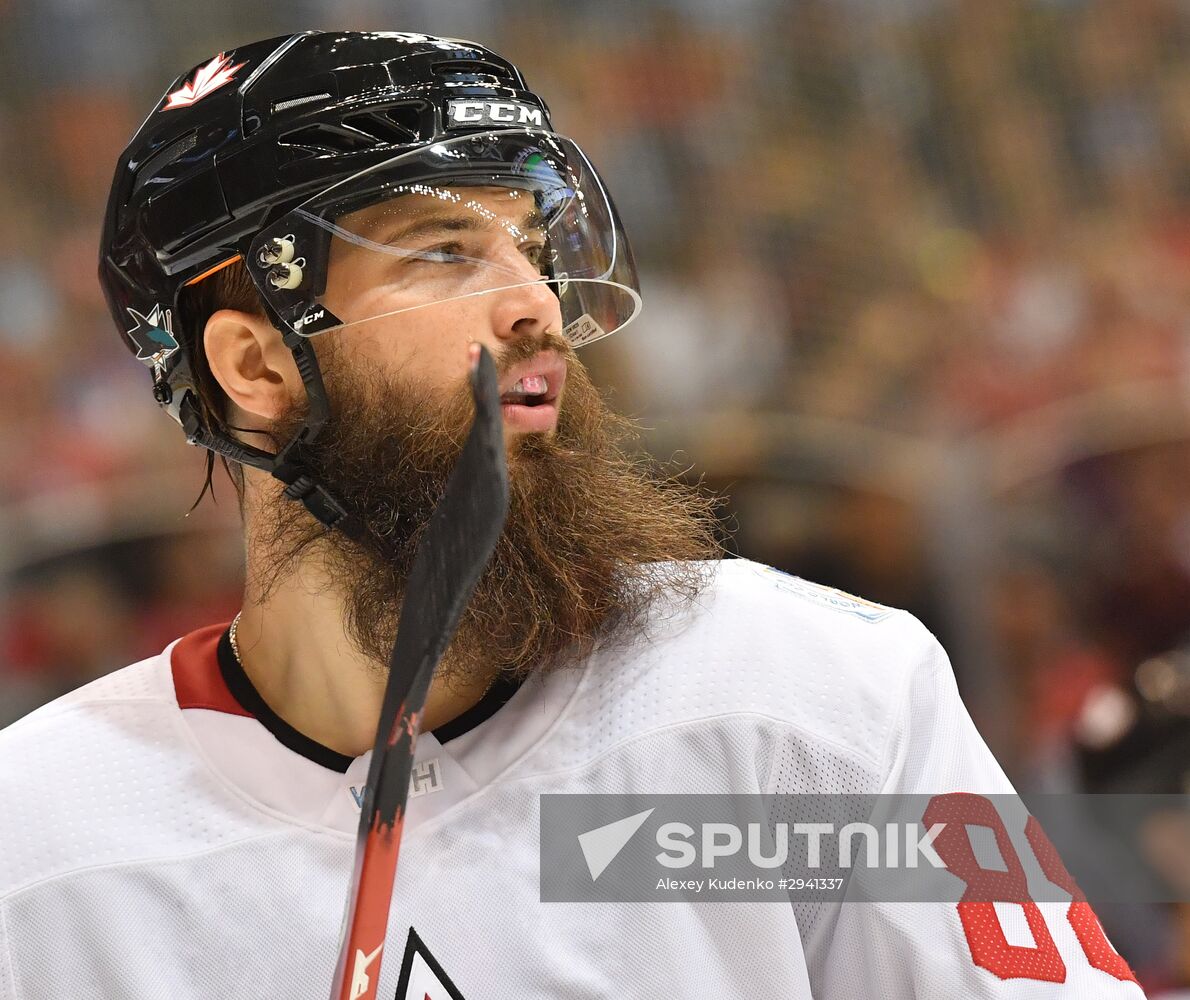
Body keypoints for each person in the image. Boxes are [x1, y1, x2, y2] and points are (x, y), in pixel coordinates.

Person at [0, 31, 1146, 999]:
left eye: (536, 252)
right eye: (445, 254)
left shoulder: (814, 701)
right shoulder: (42, 847)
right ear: (255, 367)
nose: (535, 305)